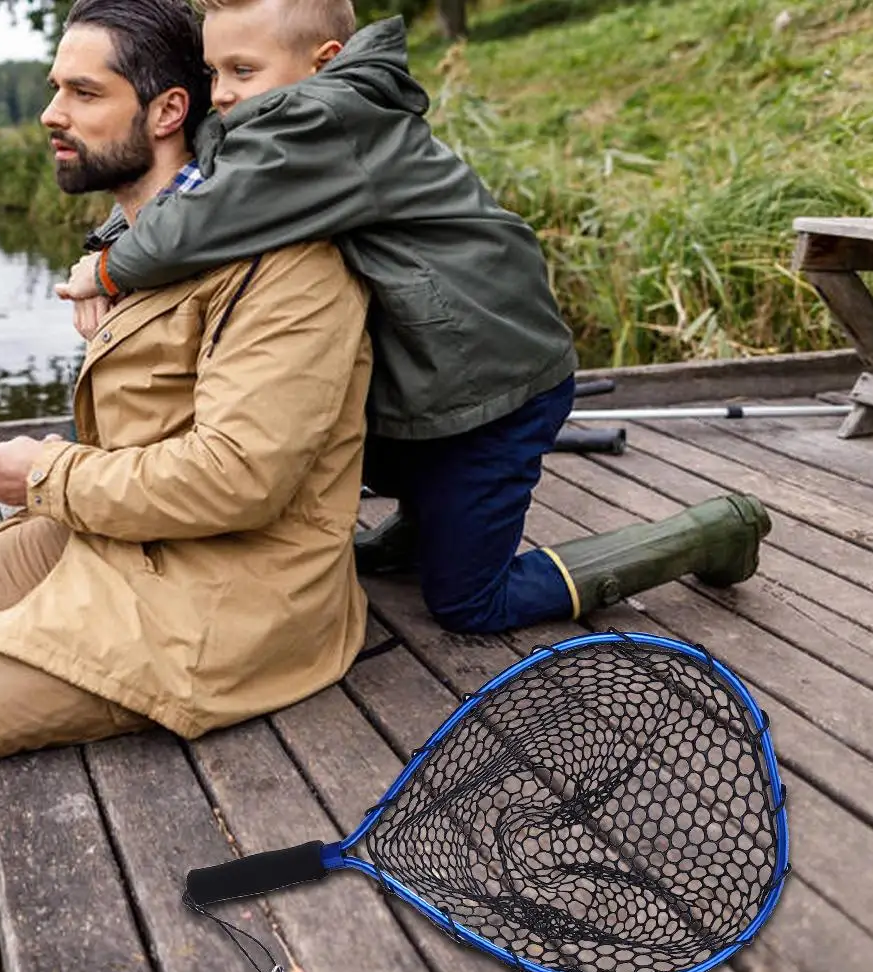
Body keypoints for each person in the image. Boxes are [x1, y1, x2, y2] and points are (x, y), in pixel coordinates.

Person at [0, 0, 372, 972]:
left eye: (82, 91)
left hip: (236, 590)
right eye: (56, 86)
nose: (50, 111)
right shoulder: (152, 236)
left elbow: (241, 474)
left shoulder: (290, 263)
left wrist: (44, 471)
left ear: (165, 110)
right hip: (127, 533)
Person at [55, 0, 772, 635]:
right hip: (436, 373)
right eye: (214, 74)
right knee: (325, 431)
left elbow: (209, 215)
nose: (224, 95)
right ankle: (423, 526)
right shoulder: (284, 117)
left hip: (496, 388)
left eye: (242, 69)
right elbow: (201, 181)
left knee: (469, 604)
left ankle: (706, 533)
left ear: (323, 62)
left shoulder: (322, 120)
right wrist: (111, 240)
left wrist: (108, 270)